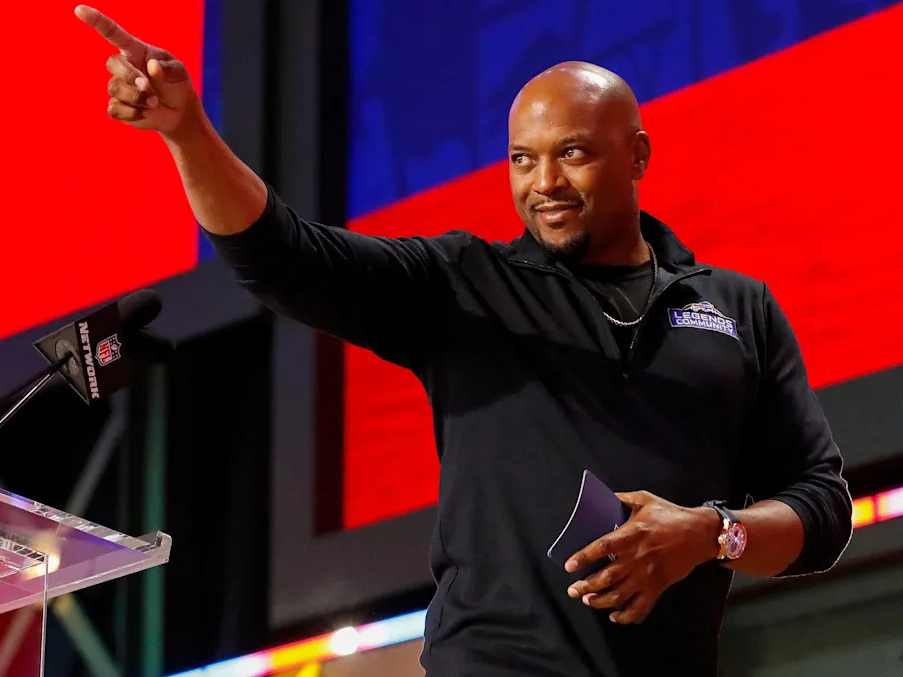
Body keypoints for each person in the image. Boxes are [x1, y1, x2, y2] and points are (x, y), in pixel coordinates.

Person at [75, 6, 853, 676]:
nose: (542, 182)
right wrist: (188, 133)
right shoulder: (463, 284)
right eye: (522, 159)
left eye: (572, 153)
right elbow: (284, 255)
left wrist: (711, 533)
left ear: (638, 155)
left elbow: (822, 512)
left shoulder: (737, 308)